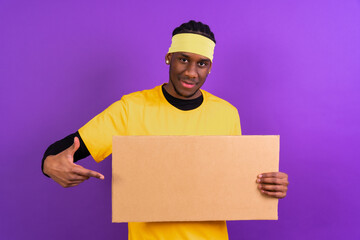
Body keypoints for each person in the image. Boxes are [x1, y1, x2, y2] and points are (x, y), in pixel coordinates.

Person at [42, 20, 289, 240]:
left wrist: (270, 185)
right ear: (168, 57)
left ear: (210, 67)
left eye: (201, 63)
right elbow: (68, 148)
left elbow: (234, 184)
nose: (191, 72)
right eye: (183, 59)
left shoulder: (227, 114)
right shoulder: (131, 108)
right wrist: (49, 163)